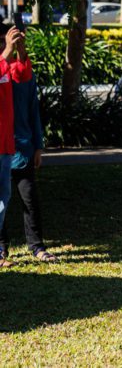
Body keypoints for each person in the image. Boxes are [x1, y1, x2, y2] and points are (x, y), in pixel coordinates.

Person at [0, 58, 54, 264]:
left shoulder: (24, 73)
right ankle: (1, 248)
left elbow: (33, 110)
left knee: (29, 198)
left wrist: (38, 146)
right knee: (0, 201)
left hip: (22, 148)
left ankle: (37, 246)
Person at [0, 25, 32, 269]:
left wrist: (20, 52)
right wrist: (6, 53)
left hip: (5, 145)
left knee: (3, 199)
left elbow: (21, 77)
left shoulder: (5, 64)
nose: (5, 44)